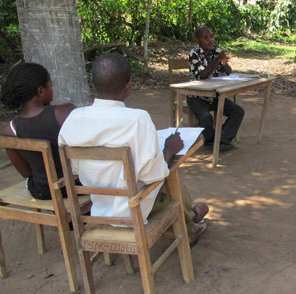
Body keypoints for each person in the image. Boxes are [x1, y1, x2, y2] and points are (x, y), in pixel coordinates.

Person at [58, 54, 208, 245]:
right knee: (170, 178)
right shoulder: (138, 119)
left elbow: (75, 169)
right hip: (133, 207)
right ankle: (191, 221)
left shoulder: (73, 119)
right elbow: (152, 175)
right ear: (129, 85)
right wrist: (169, 150)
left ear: (92, 82)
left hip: (99, 205)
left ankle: (192, 217)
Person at [0, 62, 75, 200]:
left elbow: (26, 172)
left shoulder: (9, 131)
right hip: (75, 186)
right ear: (40, 91)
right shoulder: (64, 113)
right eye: (50, 86)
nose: (52, 90)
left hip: (42, 191)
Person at [187, 26, 245, 151]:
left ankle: (221, 140)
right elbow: (203, 75)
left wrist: (223, 63)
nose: (210, 40)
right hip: (197, 96)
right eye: (206, 38)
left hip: (214, 95)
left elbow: (229, 72)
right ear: (198, 40)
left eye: (212, 36)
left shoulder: (216, 51)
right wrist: (217, 60)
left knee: (238, 111)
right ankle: (210, 141)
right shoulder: (194, 53)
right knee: (206, 117)